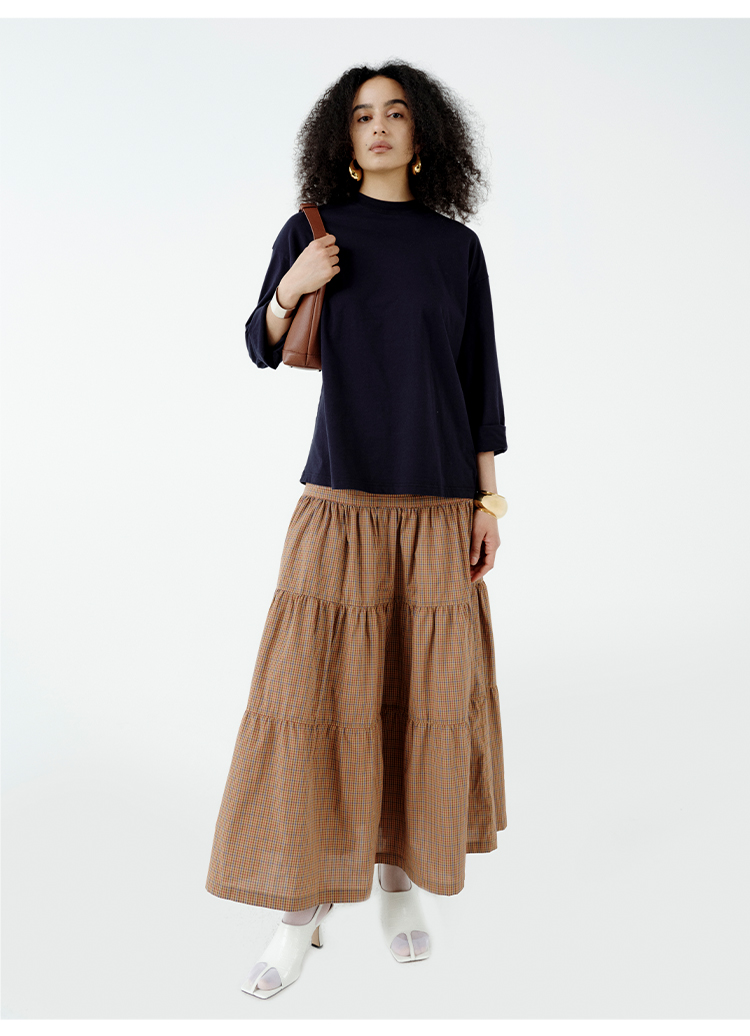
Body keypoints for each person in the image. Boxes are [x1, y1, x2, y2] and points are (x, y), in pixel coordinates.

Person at [205, 60, 509, 1000]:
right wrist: (290, 287)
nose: (378, 127)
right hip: (341, 500)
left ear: (423, 137)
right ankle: (297, 913)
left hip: (438, 508)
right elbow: (259, 344)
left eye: (397, 113)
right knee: (314, 704)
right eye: (362, 115)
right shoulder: (311, 231)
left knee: (420, 701)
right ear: (343, 138)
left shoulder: (457, 248)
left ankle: (396, 880)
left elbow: (480, 382)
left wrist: (488, 502)